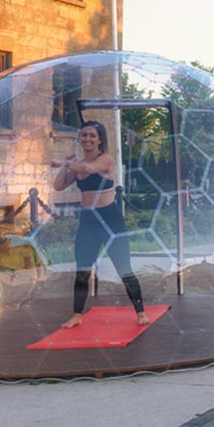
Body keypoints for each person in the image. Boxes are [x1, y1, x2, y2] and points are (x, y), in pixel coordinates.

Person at [52, 121, 148, 328]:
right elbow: (58, 185)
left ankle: (140, 312)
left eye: (92, 136)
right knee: (83, 269)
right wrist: (65, 165)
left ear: (100, 140)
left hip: (110, 219)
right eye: (84, 135)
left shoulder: (105, 160)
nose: (87, 139)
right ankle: (77, 315)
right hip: (88, 221)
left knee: (124, 268)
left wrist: (66, 163)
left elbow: (88, 168)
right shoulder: (76, 164)